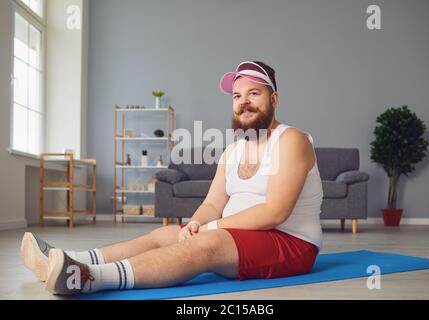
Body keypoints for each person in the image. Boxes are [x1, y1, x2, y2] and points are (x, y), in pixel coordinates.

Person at [20, 60, 324, 295]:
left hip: (291, 243)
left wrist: (209, 229)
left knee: (208, 242)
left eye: (254, 94)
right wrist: (195, 224)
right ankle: (68, 259)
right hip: (237, 236)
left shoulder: (292, 140)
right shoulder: (232, 151)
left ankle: (86, 279)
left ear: (274, 98)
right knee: (166, 235)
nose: (243, 102)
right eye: (236, 96)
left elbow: (275, 212)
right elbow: (212, 204)